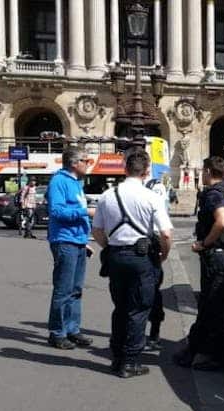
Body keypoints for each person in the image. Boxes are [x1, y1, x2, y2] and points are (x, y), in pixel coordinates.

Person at [91, 149, 172, 377]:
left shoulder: (108, 195)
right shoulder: (151, 196)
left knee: (120, 308)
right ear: (147, 171)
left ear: (124, 169)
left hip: (116, 256)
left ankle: (116, 357)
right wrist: (163, 256)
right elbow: (165, 234)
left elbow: (96, 230)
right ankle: (130, 361)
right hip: (141, 258)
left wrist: (109, 247)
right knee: (138, 309)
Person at [174, 157, 224, 371]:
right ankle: (202, 350)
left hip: (216, 256)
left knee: (212, 306)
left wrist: (205, 243)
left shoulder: (214, 194)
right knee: (216, 306)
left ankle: (215, 357)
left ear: (206, 171)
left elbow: (222, 221)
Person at [46, 148, 96, 350]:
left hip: (77, 241)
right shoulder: (59, 181)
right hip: (64, 241)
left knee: (76, 289)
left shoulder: (76, 183)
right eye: (86, 160)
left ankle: (72, 329)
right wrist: (85, 211)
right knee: (63, 289)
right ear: (74, 163)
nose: (88, 163)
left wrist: (84, 240)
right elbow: (57, 211)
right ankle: (57, 332)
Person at [144, 173, 172, 348]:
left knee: (150, 292)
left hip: (148, 241)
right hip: (150, 244)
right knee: (152, 292)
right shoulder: (151, 186)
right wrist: (165, 253)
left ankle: (152, 334)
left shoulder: (156, 185)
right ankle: (149, 335)